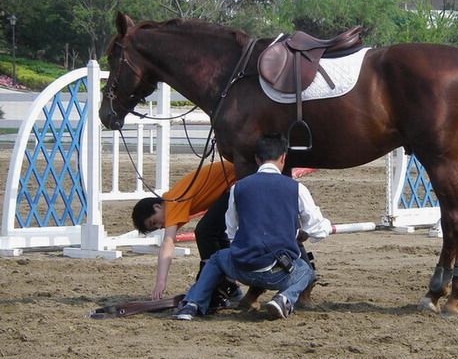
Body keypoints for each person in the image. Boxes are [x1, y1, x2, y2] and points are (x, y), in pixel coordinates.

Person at [173, 133, 331, 321]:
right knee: (305, 270)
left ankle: (192, 304)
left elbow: (230, 230)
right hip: (277, 274)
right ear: (283, 157)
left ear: (257, 159)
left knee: (215, 259)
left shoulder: (237, 187)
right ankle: (284, 298)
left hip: (241, 268)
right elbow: (317, 230)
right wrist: (321, 229)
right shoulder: (296, 188)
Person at [131, 160, 242, 305]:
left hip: (237, 177)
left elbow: (168, 243)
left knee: (205, 232)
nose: (161, 226)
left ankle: (219, 282)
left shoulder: (171, 202)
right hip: (234, 180)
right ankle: (227, 284)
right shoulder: (173, 202)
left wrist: (160, 281)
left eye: (154, 222)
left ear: (157, 206)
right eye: (156, 227)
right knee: (213, 231)